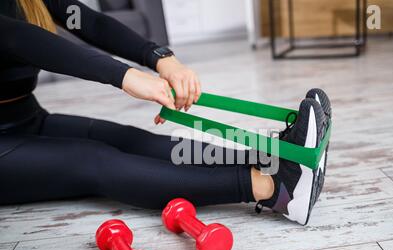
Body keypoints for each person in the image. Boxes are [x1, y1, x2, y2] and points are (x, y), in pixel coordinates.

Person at [0, 0, 331, 225]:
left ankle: (274, 161)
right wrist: (125, 76)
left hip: (28, 118)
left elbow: (89, 22)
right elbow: (16, 37)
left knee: (131, 139)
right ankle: (277, 191)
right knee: (91, 159)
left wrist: (161, 57)